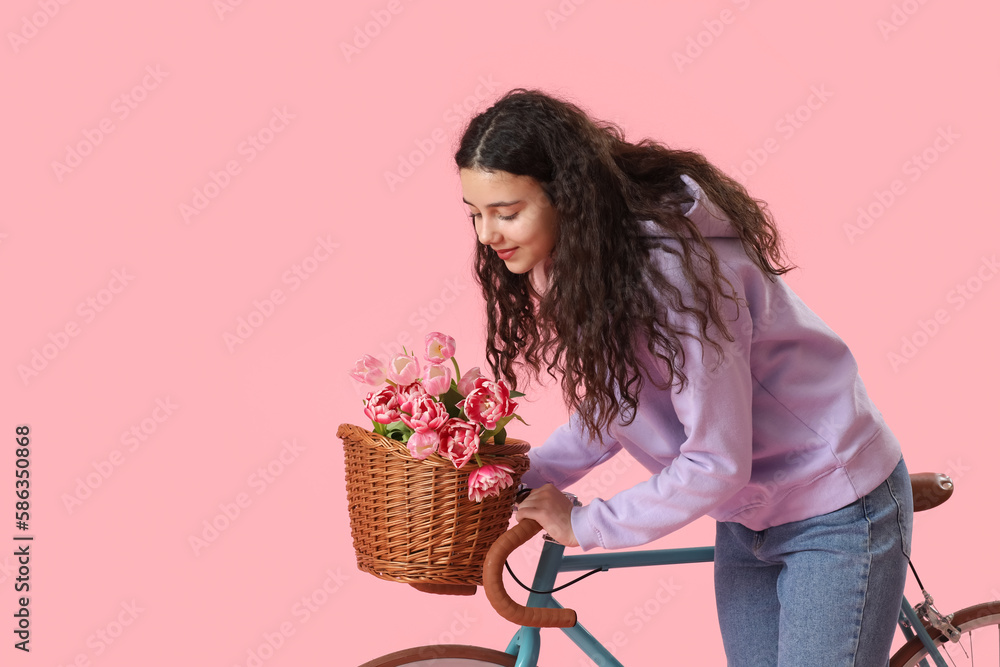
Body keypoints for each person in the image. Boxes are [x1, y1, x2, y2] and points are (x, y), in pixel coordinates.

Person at [454, 87, 914, 666]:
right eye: (475, 213)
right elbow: (620, 407)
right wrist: (520, 473)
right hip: (746, 517)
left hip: (835, 506)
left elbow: (716, 461)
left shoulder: (674, 275)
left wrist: (589, 523)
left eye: (507, 212)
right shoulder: (588, 267)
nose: (486, 235)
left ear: (566, 199)